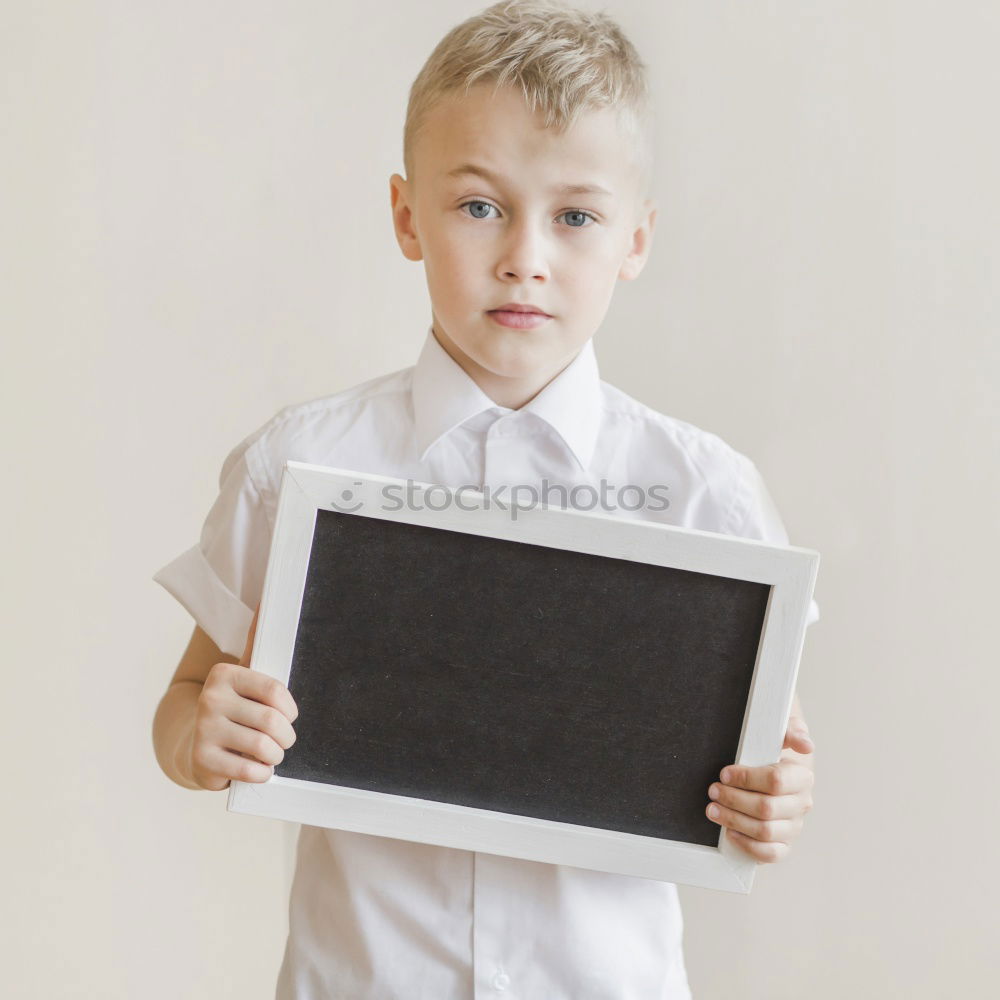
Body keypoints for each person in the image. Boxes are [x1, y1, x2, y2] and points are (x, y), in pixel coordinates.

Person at [151, 1, 819, 996]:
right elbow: (184, 705)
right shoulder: (302, 465)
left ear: (635, 238)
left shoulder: (699, 494)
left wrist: (779, 799)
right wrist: (203, 740)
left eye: (576, 216)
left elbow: (780, 747)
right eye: (479, 205)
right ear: (405, 215)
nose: (525, 256)